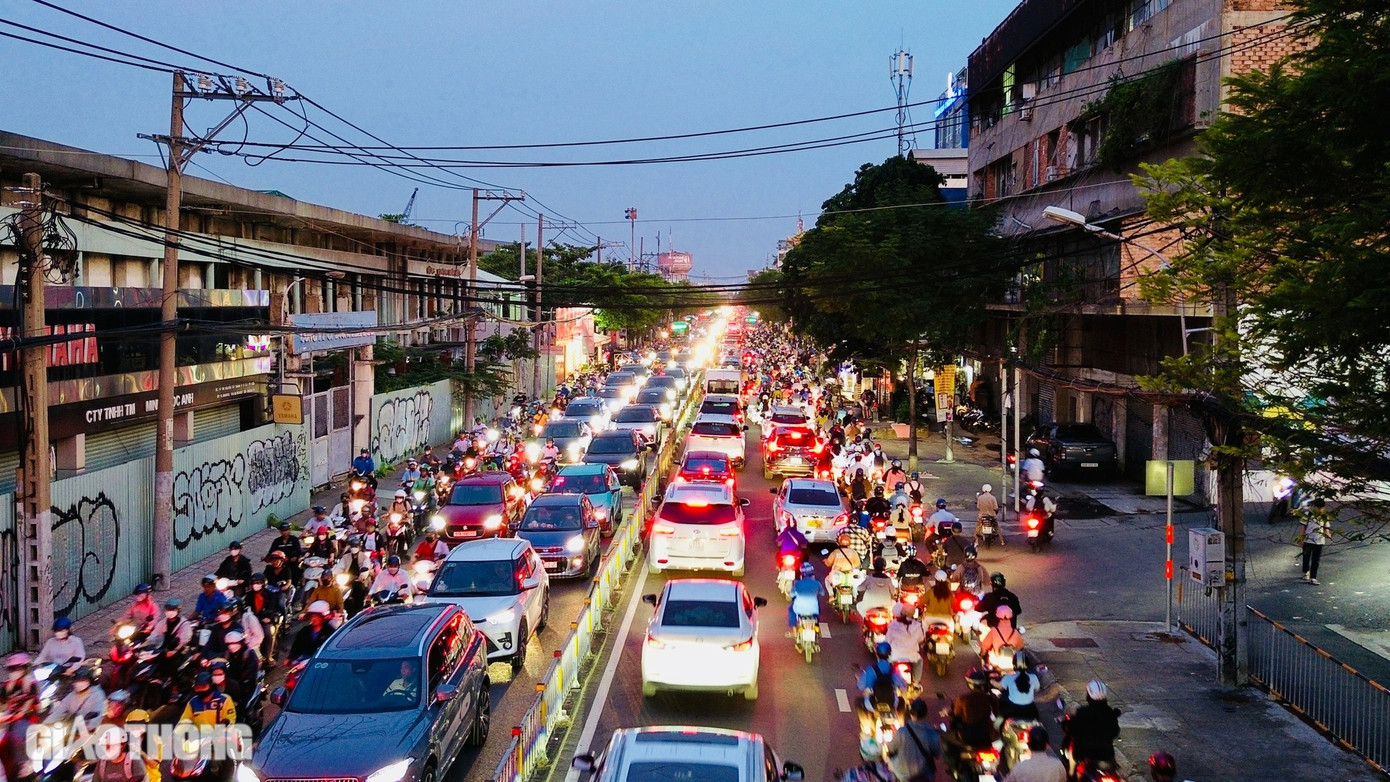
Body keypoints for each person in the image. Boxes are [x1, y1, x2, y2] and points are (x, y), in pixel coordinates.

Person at [944, 668, 997, 776]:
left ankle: (953, 766)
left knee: (946, 740)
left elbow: (956, 715)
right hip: (986, 736)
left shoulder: (963, 699)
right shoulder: (990, 698)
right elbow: (996, 712)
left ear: (970, 684)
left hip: (968, 737)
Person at [1066, 680, 1121, 769]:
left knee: (1072, 753)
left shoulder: (1082, 712)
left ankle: (1071, 775)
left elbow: (1073, 731)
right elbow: (1115, 731)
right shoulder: (1109, 712)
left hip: (1085, 754)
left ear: (1089, 695)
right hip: (1107, 754)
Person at [856, 642, 909, 734]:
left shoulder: (870, 669)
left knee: (858, 702)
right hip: (893, 704)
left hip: (872, 705)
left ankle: (866, 728)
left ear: (877, 654)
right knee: (902, 702)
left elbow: (860, 686)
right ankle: (901, 727)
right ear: (889, 654)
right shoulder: (893, 670)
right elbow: (903, 686)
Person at [884, 697, 940, 782]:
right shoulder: (932, 734)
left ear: (910, 714)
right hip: (923, 775)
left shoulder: (901, 732)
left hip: (902, 773)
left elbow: (891, 748)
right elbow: (937, 753)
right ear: (925, 714)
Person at [51, 666, 106, 730]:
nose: (76, 683)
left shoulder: (98, 695)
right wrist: (44, 724)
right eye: (75, 681)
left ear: (88, 682)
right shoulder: (72, 695)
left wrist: (89, 726)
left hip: (86, 730)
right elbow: (60, 710)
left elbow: (97, 716)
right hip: (70, 727)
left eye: (80, 681)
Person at [884, 603, 925, 683]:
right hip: (912, 656)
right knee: (919, 661)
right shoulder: (917, 625)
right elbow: (921, 639)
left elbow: (887, 640)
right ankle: (916, 682)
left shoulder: (893, 625)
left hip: (895, 655)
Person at [998, 650, 1042, 721]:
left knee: (997, 722)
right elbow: (1037, 689)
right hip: (1029, 709)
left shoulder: (1008, 678)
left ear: (1014, 664)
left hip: (1013, 709)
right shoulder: (1033, 677)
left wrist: (991, 681)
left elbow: (1000, 686)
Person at [1301, 498, 1332, 584]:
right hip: (1308, 540)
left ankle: (1313, 577)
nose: (1320, 510)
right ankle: (1306, 571)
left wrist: (1328, 534)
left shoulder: (1325, 516)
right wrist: (1301, 538)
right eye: (1319, 508)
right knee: (1306, 557)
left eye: (1322, 508)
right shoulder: (1307, 515)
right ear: (1314, 507)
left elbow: (1326, 528)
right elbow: (1303, 528)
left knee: (1316, 559)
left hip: (1319, 541)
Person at [823, 532, 863, 597]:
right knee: (855, 583)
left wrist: (825, 561)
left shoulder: (836, 552)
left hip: (838, 576)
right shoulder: (853, 552)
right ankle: (855, 596)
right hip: (850, 575)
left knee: (827, 580)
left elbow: (828, 563)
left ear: (839, 542)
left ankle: (831, 595)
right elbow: (858, 565)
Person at [788, 563, 822, 630]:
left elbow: (791, 594)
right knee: (818, 609)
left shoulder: (797, 583)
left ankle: (794, 628)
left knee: (791, 610)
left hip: (799, 609)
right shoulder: (816, 583)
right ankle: (816, 623)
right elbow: (822, 593)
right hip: (813, 609)